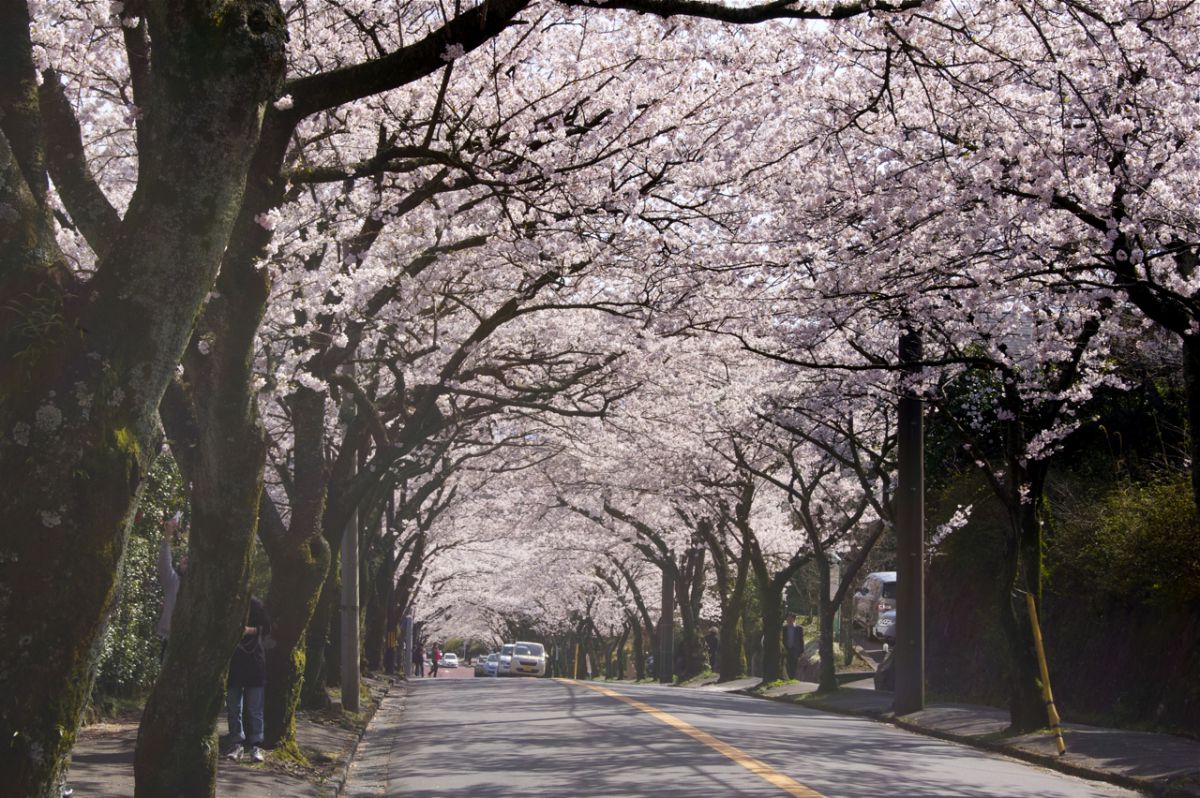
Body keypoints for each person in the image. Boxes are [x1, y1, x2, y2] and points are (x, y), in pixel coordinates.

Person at [225, 596, 270, 763]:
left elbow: (267, 627)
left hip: (254, 664)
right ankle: (236, 744)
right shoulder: (227, 603)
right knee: (233, 707)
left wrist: (249, 630)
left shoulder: (256, 604)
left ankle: (256, 746)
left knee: (254, 709)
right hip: (233, 664)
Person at [156, 512, 187, 658]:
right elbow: (164, 561)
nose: (185, 561)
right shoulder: (173, 580)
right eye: (184, 559)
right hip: (169, 640)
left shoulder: (201, 588)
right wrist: (168, 534)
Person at [783, 612, 805, 680]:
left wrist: (801, 651)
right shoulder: (784, 628)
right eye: (787, 618)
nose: (788, 620)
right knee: (787, 664)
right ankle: (789, 677)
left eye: (790, 618)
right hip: (786, 649)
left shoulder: (799, 628)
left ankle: (792, 678)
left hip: (795, 649)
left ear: (794, 619)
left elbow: (801, 640)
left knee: (794, 664)